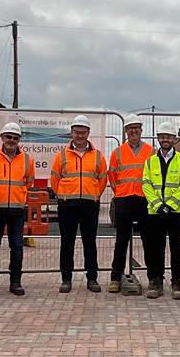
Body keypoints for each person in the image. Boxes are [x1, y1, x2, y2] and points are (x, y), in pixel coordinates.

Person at [51, 115, 108, 293]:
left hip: (89, 205)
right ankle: (66, 279)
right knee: (67, 243)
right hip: (67, 205)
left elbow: (103, 179)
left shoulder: (98, 156)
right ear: (72, 133)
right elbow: (55, 179)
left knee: (89, 242)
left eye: (83, 133)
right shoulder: (61, 155)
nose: (80, 136)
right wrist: (64, 196)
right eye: (77, 132)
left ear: (88, 133)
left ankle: (92, 278)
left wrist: (93, 196)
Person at [0, 122, 35, 297]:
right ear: (2, 138)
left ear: (19, 140)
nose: (12, 140)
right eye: (9, 137)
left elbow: (28, 182)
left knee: (17, 247)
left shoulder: (27, 160)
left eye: (15, 138)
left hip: (17, 211)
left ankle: (15, 282)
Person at [142, 121, 180, 299]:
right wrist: (158, 205)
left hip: (175, 212)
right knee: (156, 248)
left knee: (175, 248)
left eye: (168, 137)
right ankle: (157, 281)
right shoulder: (150, 161)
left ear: (174, 139)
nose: (165, 139)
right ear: (158, 138)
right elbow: (146, 184)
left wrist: (169, 205)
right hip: (155, 212)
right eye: (162, 136)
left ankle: (176, 282)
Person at [107, 116, 152, 293]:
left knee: (149, 241)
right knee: (121, 241)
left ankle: (154, 278)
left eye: (136, 128)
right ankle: (115, 278)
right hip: (124, 200)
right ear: (126, 131)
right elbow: (112, 176)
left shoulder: (150, 151)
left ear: (141, 130)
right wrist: (119, 193)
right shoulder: (117, 152)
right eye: (130, 128)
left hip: (144, 200)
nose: (133, 131)